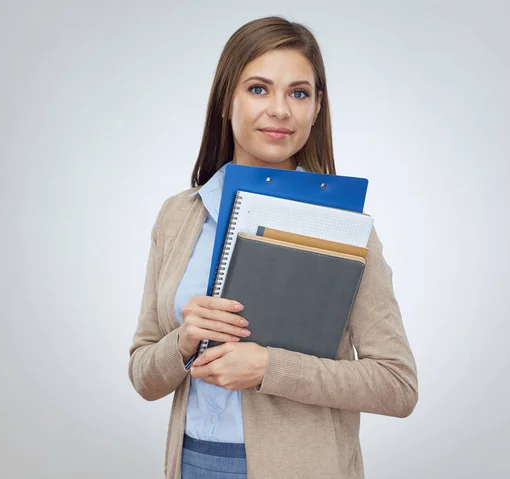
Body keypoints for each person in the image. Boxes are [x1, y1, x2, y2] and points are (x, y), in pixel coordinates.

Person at [128, 16, 419, 479]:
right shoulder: (178, 216)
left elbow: (397, 385)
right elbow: (143, 375)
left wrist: (269, 368)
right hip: (191, 464)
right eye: (259, 88)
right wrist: (181, 342)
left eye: (299, 93)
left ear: (317, 107)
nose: (280, 109)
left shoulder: (344, 227)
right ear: (227, 99)